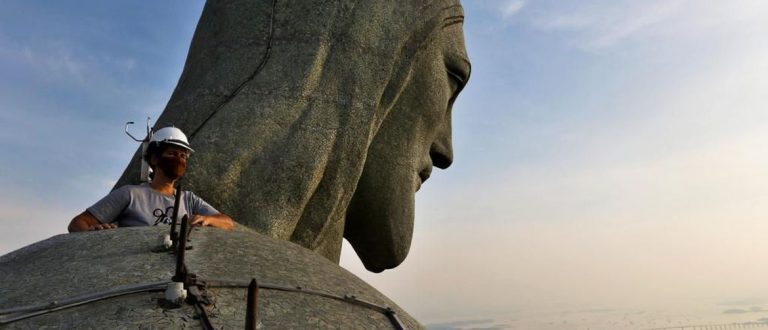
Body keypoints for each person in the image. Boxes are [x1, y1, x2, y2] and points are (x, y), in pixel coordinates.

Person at [68, 127, 234, 232]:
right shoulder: (131, 194)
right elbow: (78, 223)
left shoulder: (189, 199)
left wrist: (208, 219)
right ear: (154, 159)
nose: (178, 159)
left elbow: (227, 222)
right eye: (171, 154)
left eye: (183, 156)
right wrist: (93, 233)